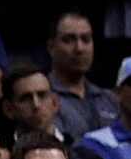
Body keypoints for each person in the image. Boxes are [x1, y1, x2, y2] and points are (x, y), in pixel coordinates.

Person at [44, 12, 115, 140]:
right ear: (51, 47)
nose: (79, 48)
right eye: (68, 40)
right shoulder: (42, 98)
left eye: (86, 39)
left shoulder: (108, 99)